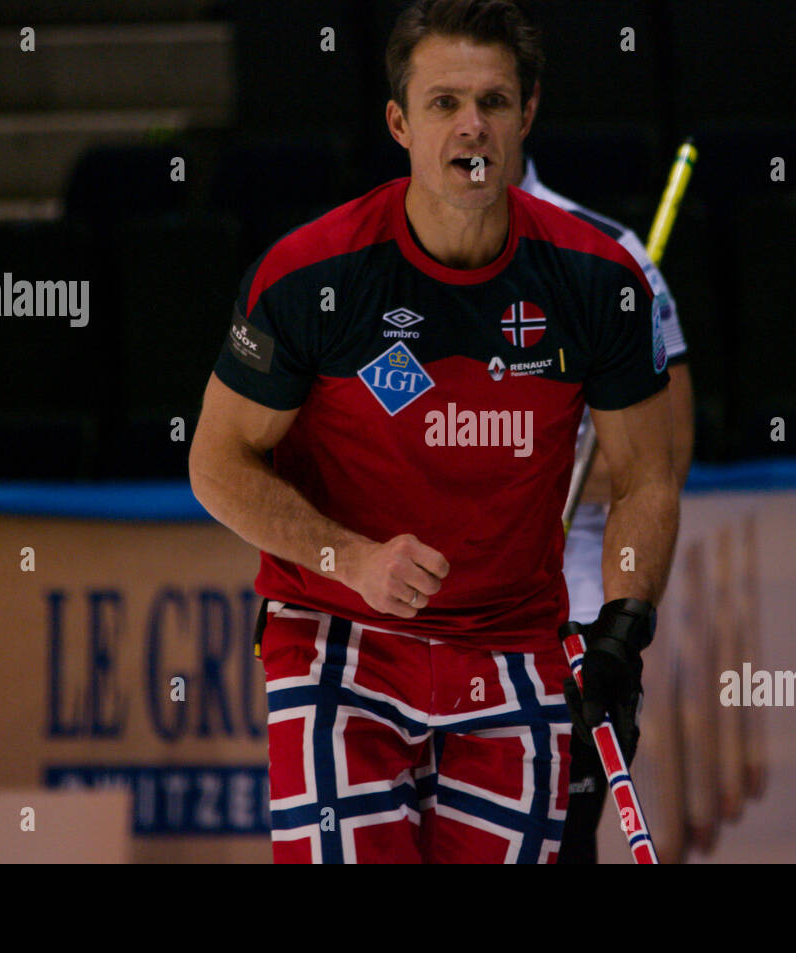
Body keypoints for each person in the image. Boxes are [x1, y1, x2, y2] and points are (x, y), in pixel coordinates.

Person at [189, 0, 678, 864]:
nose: (472, 126)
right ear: (399, 122)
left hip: (514, 642)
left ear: (528, 114)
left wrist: (623, 633)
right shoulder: (312, 273)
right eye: (445, 102)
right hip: (338, 636)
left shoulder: (599, 279)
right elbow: (217, 462)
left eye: (494, 101)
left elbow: (644, 475)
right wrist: (351, 559)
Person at [517, 155, 694, 863]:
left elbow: (665, 455)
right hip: (442, 624)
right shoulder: (394, 253)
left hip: (574, 614)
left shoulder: (609, 257)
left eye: (493, 100)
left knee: (559, 843)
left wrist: (527, 475)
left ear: (526, 108)